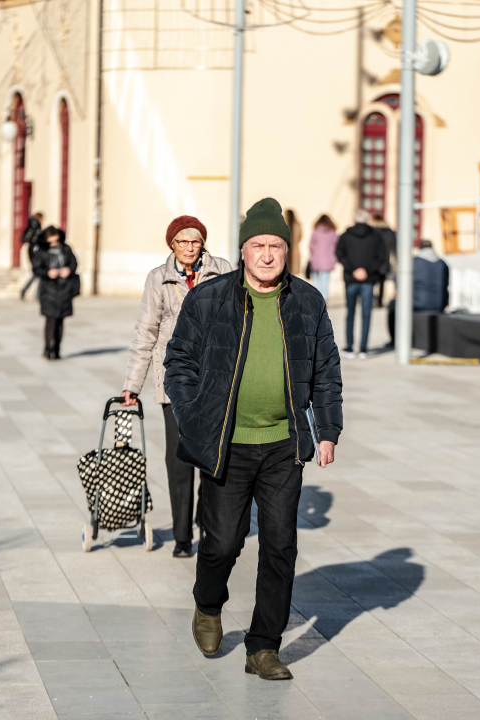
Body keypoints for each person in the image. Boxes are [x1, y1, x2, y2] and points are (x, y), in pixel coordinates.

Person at [164, 197, 343, 682]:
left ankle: (264, 647)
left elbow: (326, 369)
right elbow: (178, 361)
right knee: (222, 542)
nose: (266, 255)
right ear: (243, 251)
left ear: (288, 250)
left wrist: (326, 431)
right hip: (228, 443)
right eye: (258, 245)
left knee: (281, 545)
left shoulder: (307, 301)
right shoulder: (209, 298)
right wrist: (192, 414)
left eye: (276, 246)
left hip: (284, 444)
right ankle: (208, 604)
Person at [121, 216, 233, 558]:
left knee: (214, 457)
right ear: (172, 244)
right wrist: (132, 386)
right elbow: (145, 332)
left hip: (214, 379)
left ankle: (208, 523)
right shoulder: (159, 278)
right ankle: (183, 536)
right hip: (175, 381)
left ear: (203, 244)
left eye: (195, 241)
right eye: (182, 242)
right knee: (179, 458)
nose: (189, 247)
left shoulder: (223, 270)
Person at [335, 208, 388, 358]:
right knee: (366, 314)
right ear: (367, 220)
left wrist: (353, 270)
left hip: (351, 279)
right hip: (368, 279)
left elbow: (340, 254)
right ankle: (363, 349)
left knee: (350, 313)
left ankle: (350, 348)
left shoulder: (345, 235)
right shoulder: (376, 236)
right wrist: (367, 270)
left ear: (354, 220)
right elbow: (381, 256)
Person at [386, 239, 450, 351]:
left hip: (418, 303)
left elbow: (399, 282)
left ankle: (394, 341)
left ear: (419, 249)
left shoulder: (412, 262)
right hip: (439, 304)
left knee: (392, 305)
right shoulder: (443, 264)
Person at [31, 226, 78, 359]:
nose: (54, 244)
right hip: (48, 289)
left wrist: (69, 269)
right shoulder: (41, 251)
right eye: (50, 242)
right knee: (50, 319)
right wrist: (47, 272)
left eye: (56, 241)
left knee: (60, 320)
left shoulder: (66, 248)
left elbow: (74, 263)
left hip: (64, 288)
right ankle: (47, 348)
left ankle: (57, 349)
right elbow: (36, 268)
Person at [307, 215, 338, 301]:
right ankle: (324, 298)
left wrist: (314, 253)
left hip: (316, 258)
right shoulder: (332, 232)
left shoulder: (316, 231)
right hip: (328, 258)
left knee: (316, 278)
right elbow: (336, 245)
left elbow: (310, 245)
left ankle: (316, 297)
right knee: (325, 279)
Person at [371, 213, 396, 308]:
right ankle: (380, 301)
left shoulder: (371, 231)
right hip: (384, 260)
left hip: (372, 260)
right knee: (381, 282)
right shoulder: (389, 232)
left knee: (371, 282)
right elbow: (393, 247)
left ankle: (372, 300)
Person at [19, 212, 45, 300]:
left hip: (31, 250)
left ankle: (26, 291)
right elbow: (38, 240)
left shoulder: (30, 225)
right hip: (35, 251)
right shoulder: (36, 226)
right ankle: (37, 295)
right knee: (39, 272)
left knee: (37, 273)